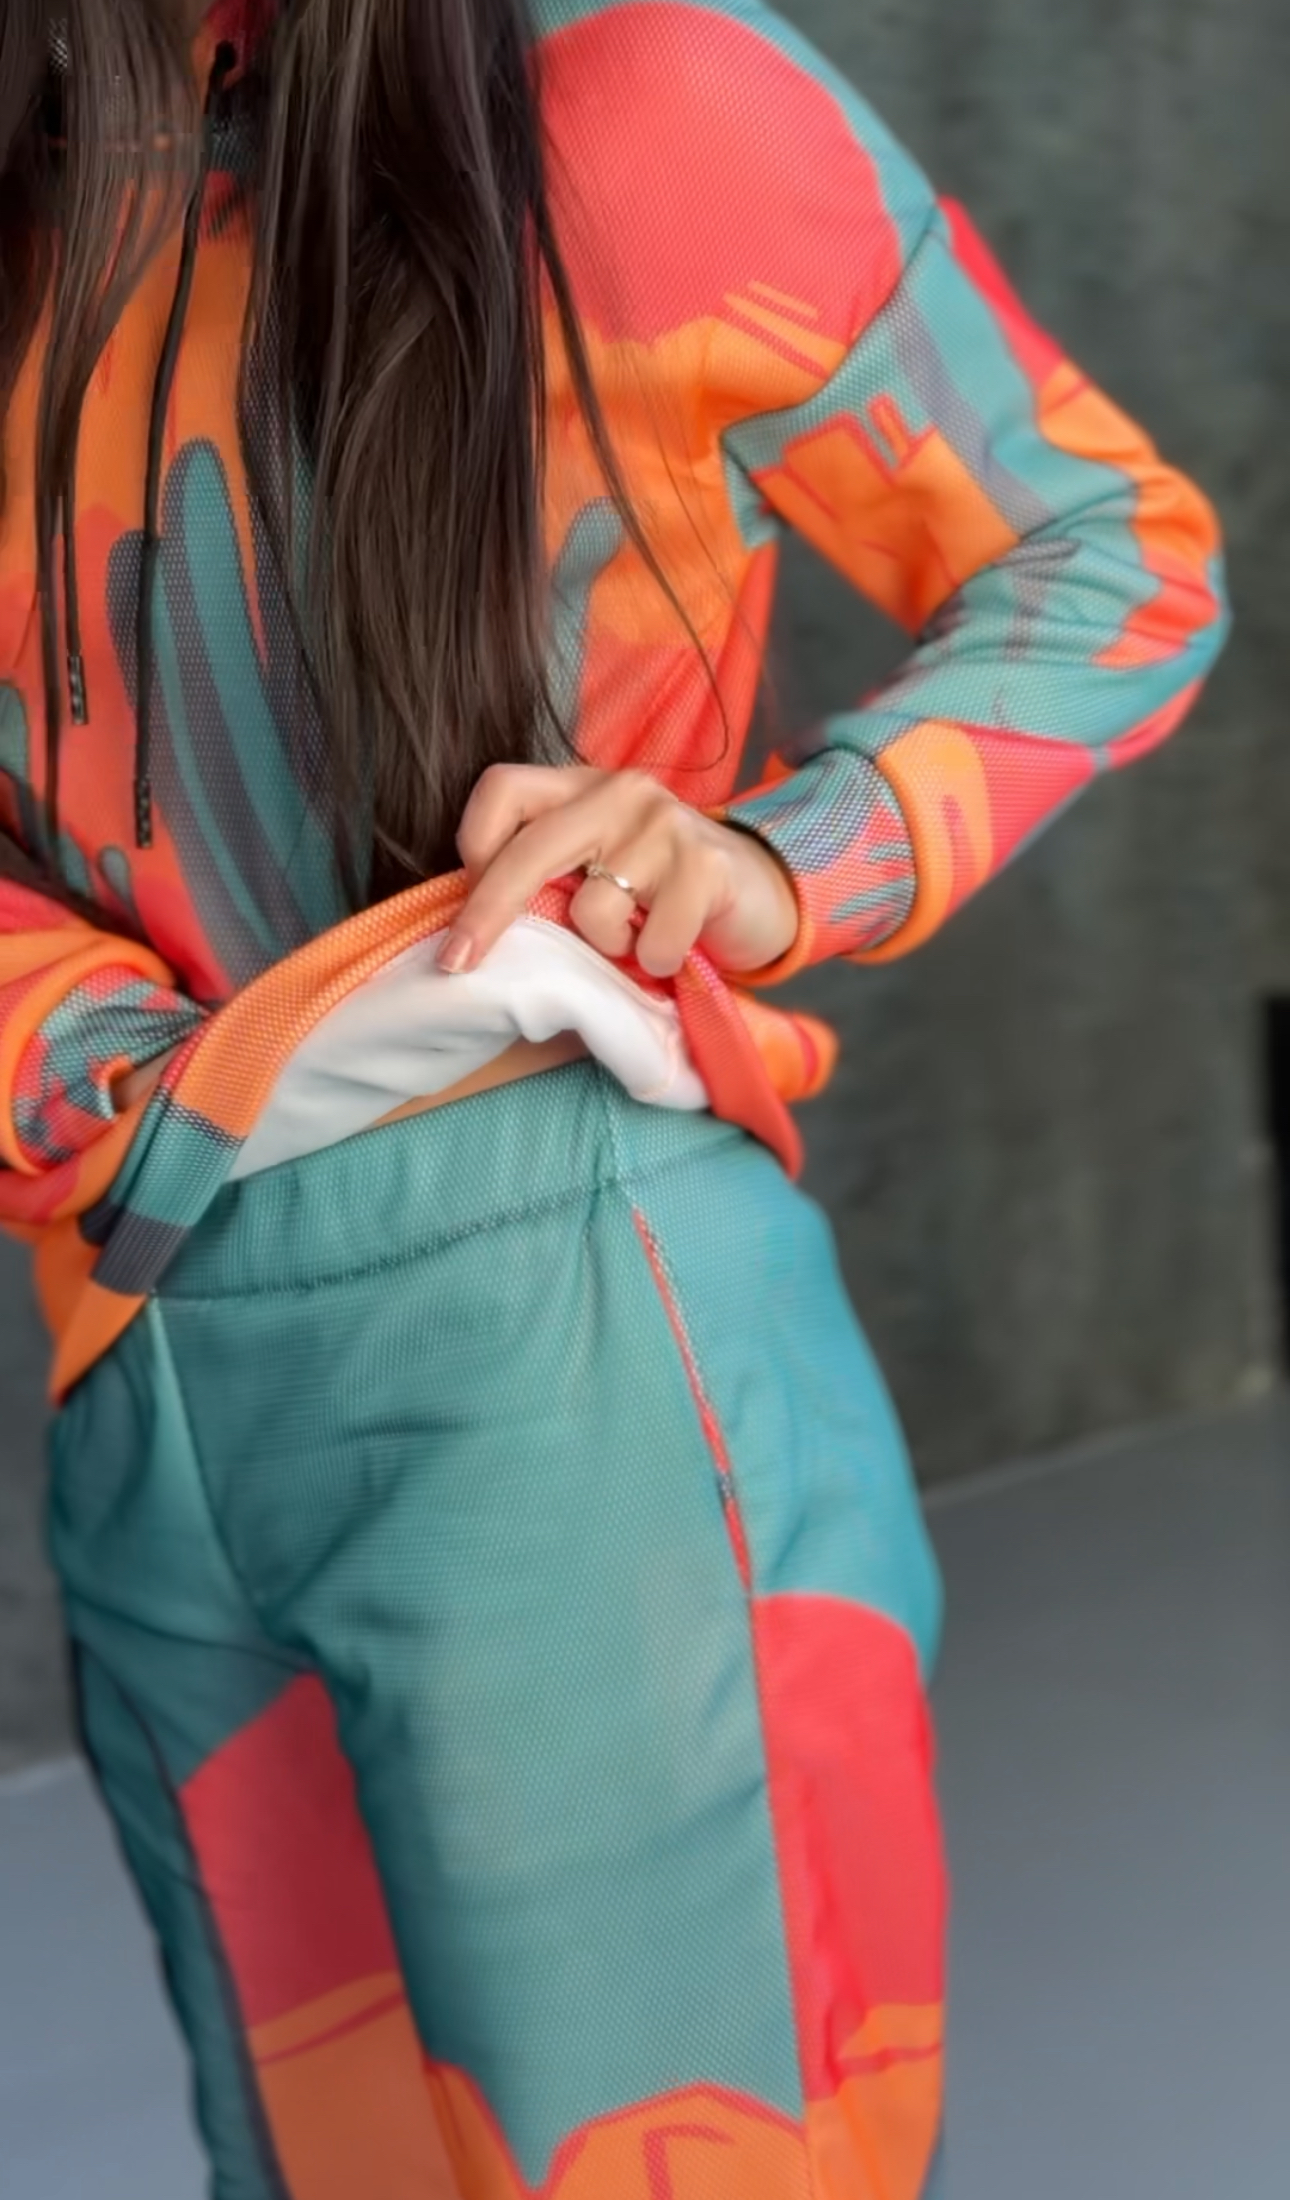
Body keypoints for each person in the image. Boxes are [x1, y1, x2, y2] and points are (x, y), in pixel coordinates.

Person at [0, 3, 1227, 2195]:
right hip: (134, 1348)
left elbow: (1112, 548)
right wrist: (116, 1063)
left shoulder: (637, 100)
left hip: (570, 1349)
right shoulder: (44, 164)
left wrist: (780, 856)